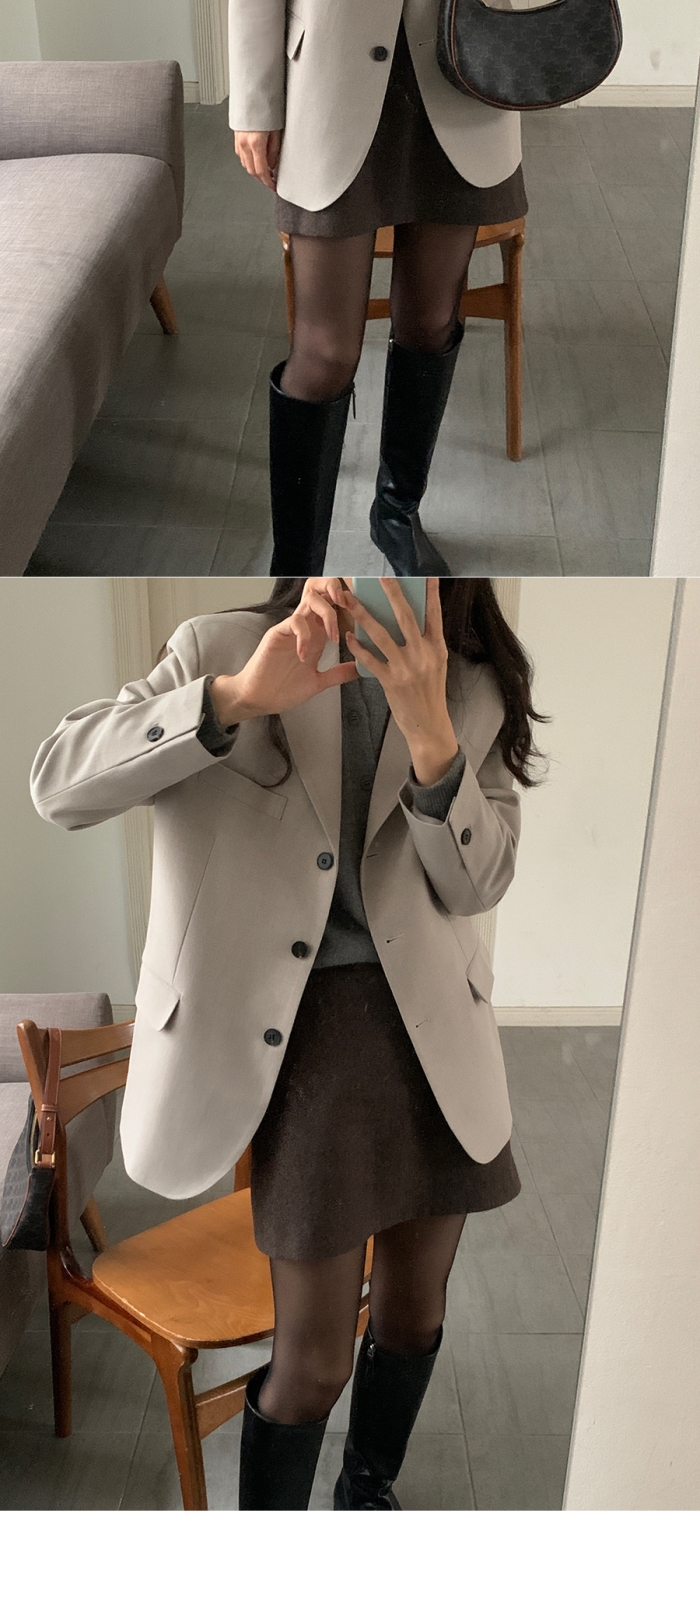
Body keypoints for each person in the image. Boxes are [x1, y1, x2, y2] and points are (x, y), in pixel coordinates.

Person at [31, 575, 544, 1510]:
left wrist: (433, 739)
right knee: (312, 1362)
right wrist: (232, 700)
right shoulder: (220, 647)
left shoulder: (469, 680)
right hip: (302, 1042)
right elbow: (58, 783)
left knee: (414, 1312)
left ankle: (365, 1491)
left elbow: (480, 884)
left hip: (435, 1030)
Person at [228, 0, 560, 577]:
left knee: (428, 321)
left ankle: (396, 511)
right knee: (324, 350)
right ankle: (296, 566)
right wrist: (255, 95)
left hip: (458, 82)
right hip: (332, 85)